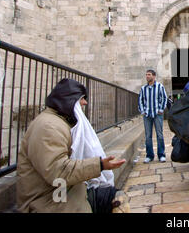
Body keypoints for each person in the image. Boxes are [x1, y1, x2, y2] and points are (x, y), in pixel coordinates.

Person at [17, 78, 127, 213]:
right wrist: (99, 165)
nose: (85, 102)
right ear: (69, 100)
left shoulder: (58, 123)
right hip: (51, 203)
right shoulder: (48, 127)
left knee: (117, 197)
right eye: (81, 98)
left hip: (68, 194)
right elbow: (58, 171)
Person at [138, 69, 168, 163]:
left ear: (154, 76)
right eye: (146, 75)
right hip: (147, 115)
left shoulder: (160, 86)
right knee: (148, 136)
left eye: (149, 74)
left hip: (157, 114)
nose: (147, 76)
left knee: (159, 135)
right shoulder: (143, 88)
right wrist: (142, 111)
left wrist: (161, 110)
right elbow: (140, 100)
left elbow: (164, 98)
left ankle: (161, 155)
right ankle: (149, 156)